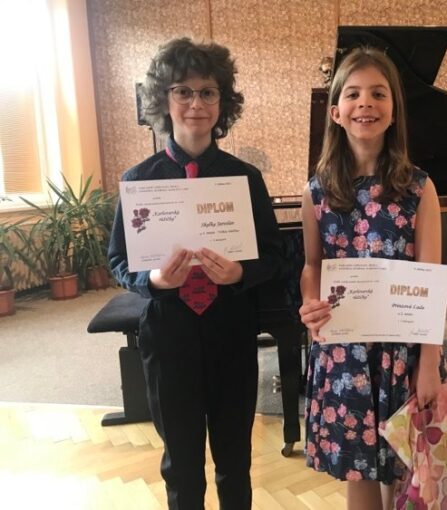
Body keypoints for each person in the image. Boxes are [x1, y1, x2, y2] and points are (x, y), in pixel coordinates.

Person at [108, 38, 283, 510]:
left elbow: (274, 254)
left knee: (235, 460)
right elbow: (119, 261)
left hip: (231, 330)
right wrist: (154, 282)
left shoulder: (245, 178)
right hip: (169, 336)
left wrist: (240, 273)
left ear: (222, 102)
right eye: (183, 91)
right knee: (181, 466)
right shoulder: (138, 181)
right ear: (163, 99)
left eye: (208, 92)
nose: (196, 103)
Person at [298, 47, 447, 510]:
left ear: (393, 110)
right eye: (353, 93)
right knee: (358, 471)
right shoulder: (317, 190)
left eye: (378, 94)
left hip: (403, 353)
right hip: (344, 352)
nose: (366, 102)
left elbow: (431, 280)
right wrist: (310, 303)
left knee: (406, 473)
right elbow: (313, 266)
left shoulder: (419, 188)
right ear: (336, 112)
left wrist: (429, 363)